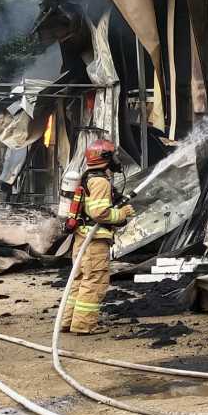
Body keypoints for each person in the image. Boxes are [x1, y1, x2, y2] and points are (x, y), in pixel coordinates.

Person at [60, 138, 134, 335]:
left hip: (82, 239)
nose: (117, 159)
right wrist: (122, 213)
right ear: (106, 158)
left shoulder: (88, 177)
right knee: (94, 282)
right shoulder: (100, 181)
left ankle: (68, 321)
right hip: (94, 242)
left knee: (79, 280)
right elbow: (99, 213)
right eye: (114, 155)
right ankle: (84, 325)